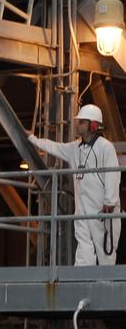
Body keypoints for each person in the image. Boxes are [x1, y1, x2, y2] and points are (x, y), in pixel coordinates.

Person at [27, 104, 121, 265]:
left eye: (82, 122)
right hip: (82, 207)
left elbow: (113, 174)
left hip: (103, 209)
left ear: (93, 125)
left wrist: (110, 202)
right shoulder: (74, 148)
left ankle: (105, 283)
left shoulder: (105, 147)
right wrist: (32, 139)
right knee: (83, 245)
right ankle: (83, 280)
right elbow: (54, 147)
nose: (77, 125)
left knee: (105, 248)